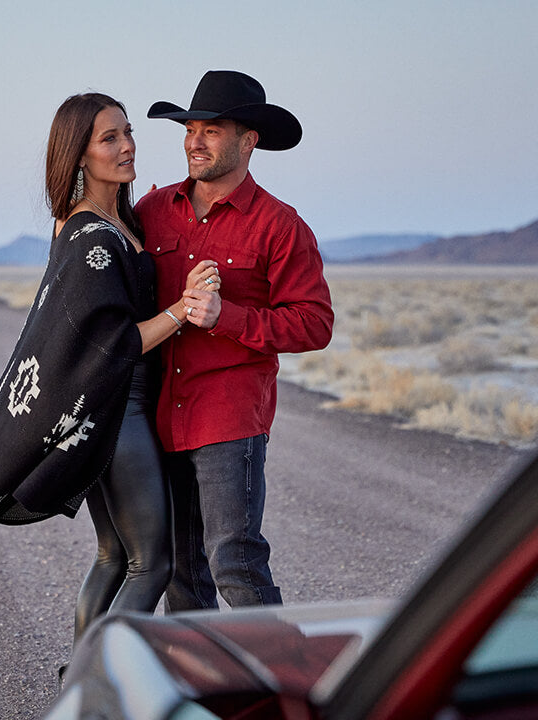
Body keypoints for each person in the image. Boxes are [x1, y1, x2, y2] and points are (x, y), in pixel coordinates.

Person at [0, 94, 218, 644]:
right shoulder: (90, 238)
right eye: (109, 138)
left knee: (113, 556)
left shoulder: (105, 222)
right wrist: (184, 307)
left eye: (128, 132)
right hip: (118, 413)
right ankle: (103, 684)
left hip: (108, 411)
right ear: (79, 155)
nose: (127, 145)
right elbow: (114, 344)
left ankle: (79, 689)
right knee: (150, 564)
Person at [138, 70, 334, 610]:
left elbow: (315, 323)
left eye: (212, 130)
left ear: (249, 140)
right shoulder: (152, 212)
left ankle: (279, 684)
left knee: (234, 561)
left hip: (227, 416)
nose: (194, 141)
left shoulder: (280, 226)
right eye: (190, 128)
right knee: (179, 569)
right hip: (158, 416)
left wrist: (227, 316)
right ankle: (202, 686)